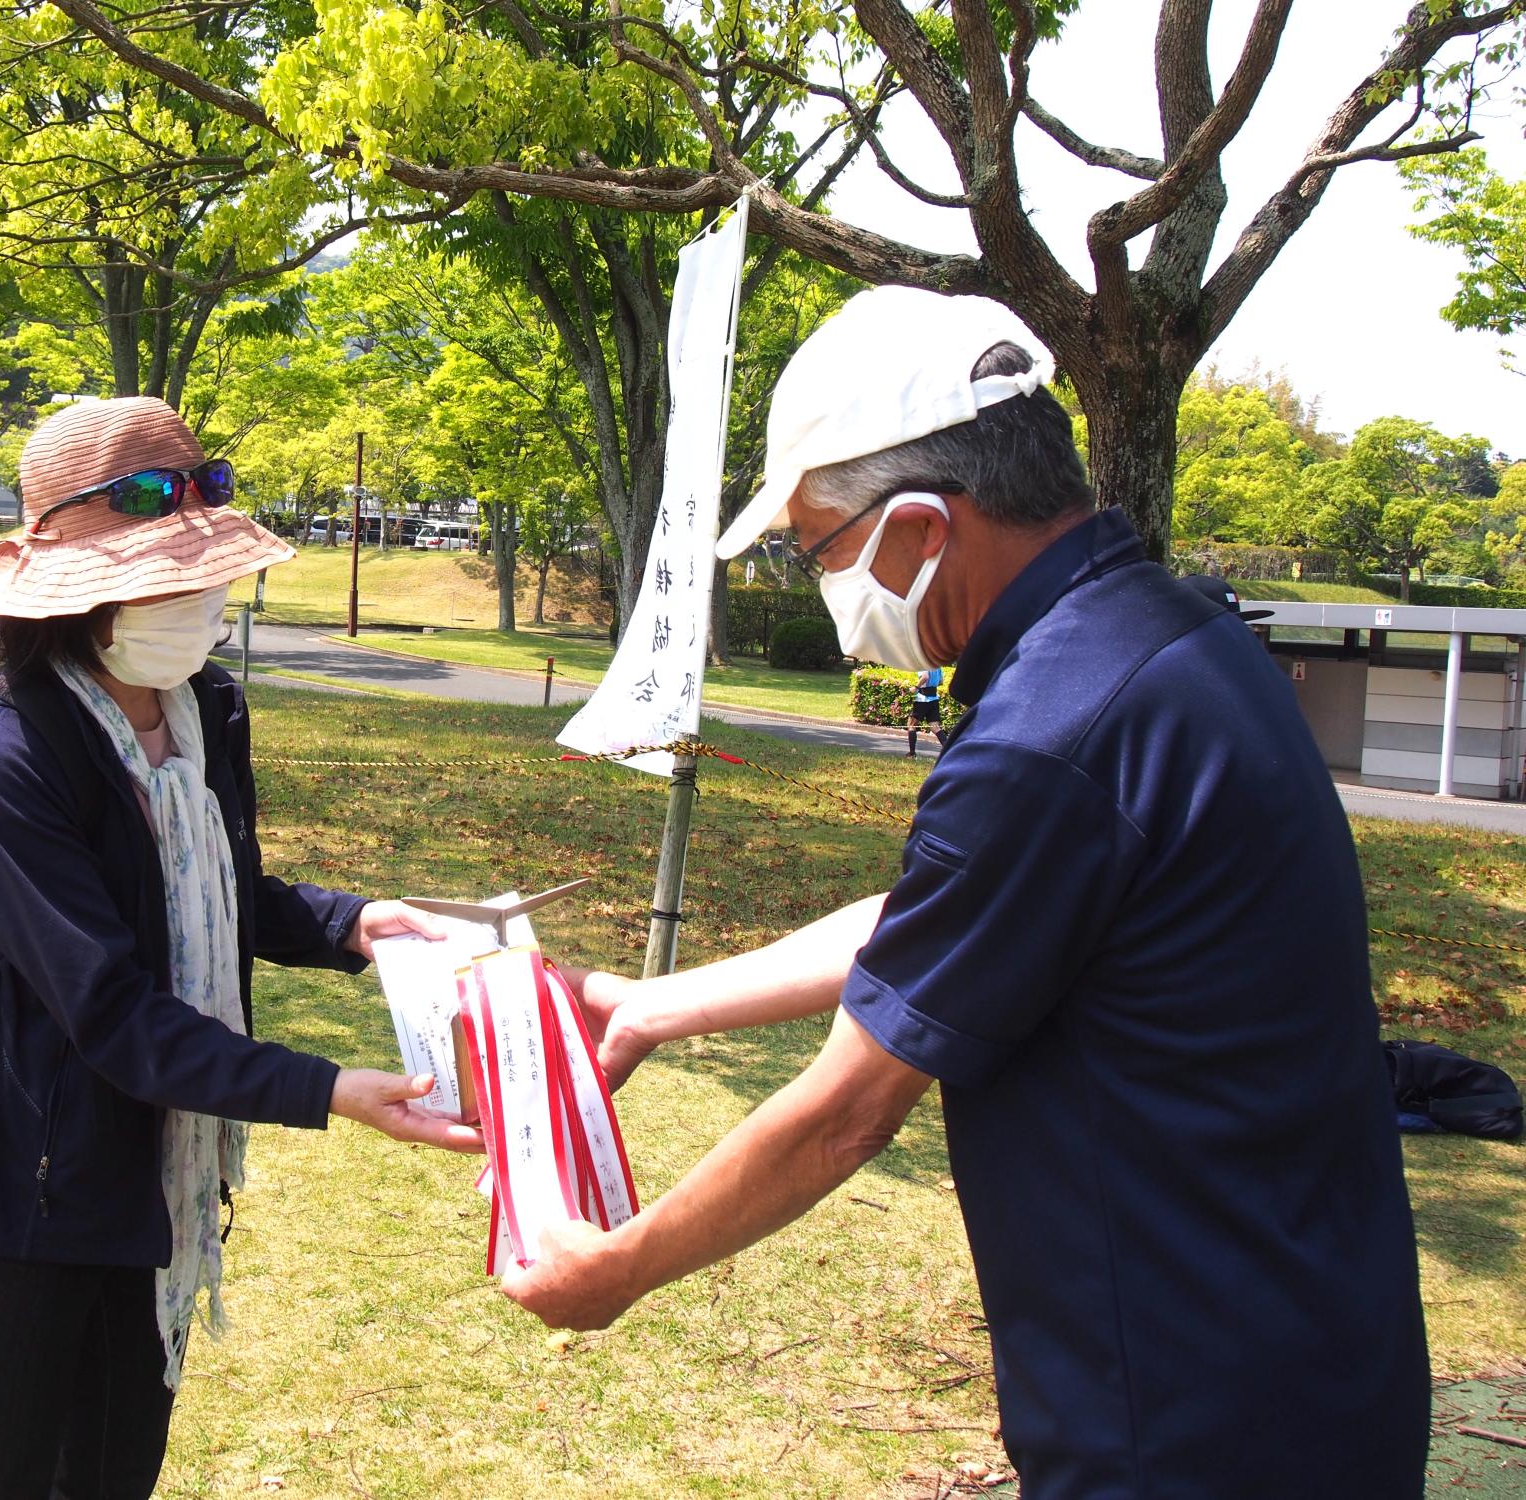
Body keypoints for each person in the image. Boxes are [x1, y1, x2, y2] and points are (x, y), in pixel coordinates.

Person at [509, 289, 1427, 1496]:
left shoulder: (1050, 736)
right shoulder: (1164, 639)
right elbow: (942, 918)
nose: (823, 578)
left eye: (816, 546)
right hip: (1312, 1344)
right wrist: (652, 1003)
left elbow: (844, 1112)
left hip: (1182, 1411)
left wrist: (619, 1265)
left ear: (918, 527)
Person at [0, 396, 479, 1500]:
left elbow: (208, 891)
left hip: (155, 1192)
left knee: (112, 1476)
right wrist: (330, 1089)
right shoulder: (3, 756)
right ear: (79, 595)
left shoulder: (203, 705)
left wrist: (354, 922)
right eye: (170, 574)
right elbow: (108, 1009)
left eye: (207, 574)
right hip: (21, 1197)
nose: (200, 597)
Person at [906, 665, 943, 755]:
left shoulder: (924, 662)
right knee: (935, 727)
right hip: (934, 699)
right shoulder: (937, 664)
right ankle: (950, 751)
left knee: (911, 725)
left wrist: (916, 687)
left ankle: (912, 754)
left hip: (923, 699)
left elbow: (925, 677)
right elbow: (941, 681)